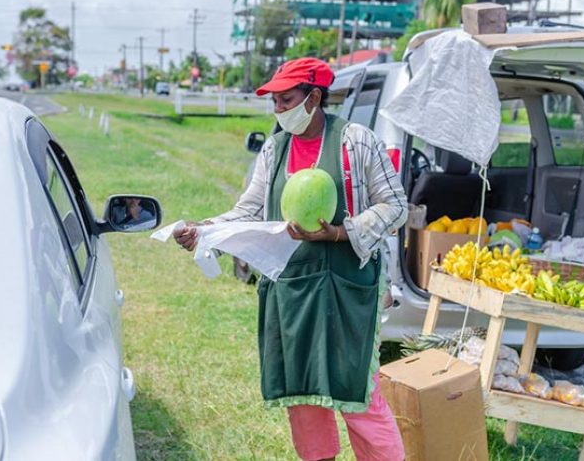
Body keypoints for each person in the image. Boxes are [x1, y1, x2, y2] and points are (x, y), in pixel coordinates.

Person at [174, 57, 408, 461]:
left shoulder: (356, 141)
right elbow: (249, 208)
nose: (279, 110)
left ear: (314, 98)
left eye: (286, 100)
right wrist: (205, 229)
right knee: (303, 397)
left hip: (347, 287)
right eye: (275, 103)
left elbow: (395, 205)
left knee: (359, 394)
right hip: (293, 290)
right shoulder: (275, 148)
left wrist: (338, 232)